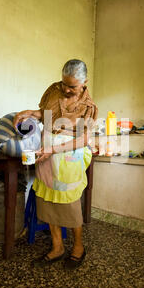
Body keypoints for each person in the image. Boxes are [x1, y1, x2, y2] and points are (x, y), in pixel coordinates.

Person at [13, 59, 98, 269]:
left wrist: (52, 149)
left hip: (69, 156)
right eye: (64, 84)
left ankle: (78, 247)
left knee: (68, 202)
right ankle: (57, 246)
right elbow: (50, 116)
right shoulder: (54, 90)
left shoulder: (89, 108)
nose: (66, 90)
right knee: (47, 199)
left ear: (84, 82)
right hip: (46, 154)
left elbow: (84, 140)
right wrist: (33, 113)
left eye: (72, 86)